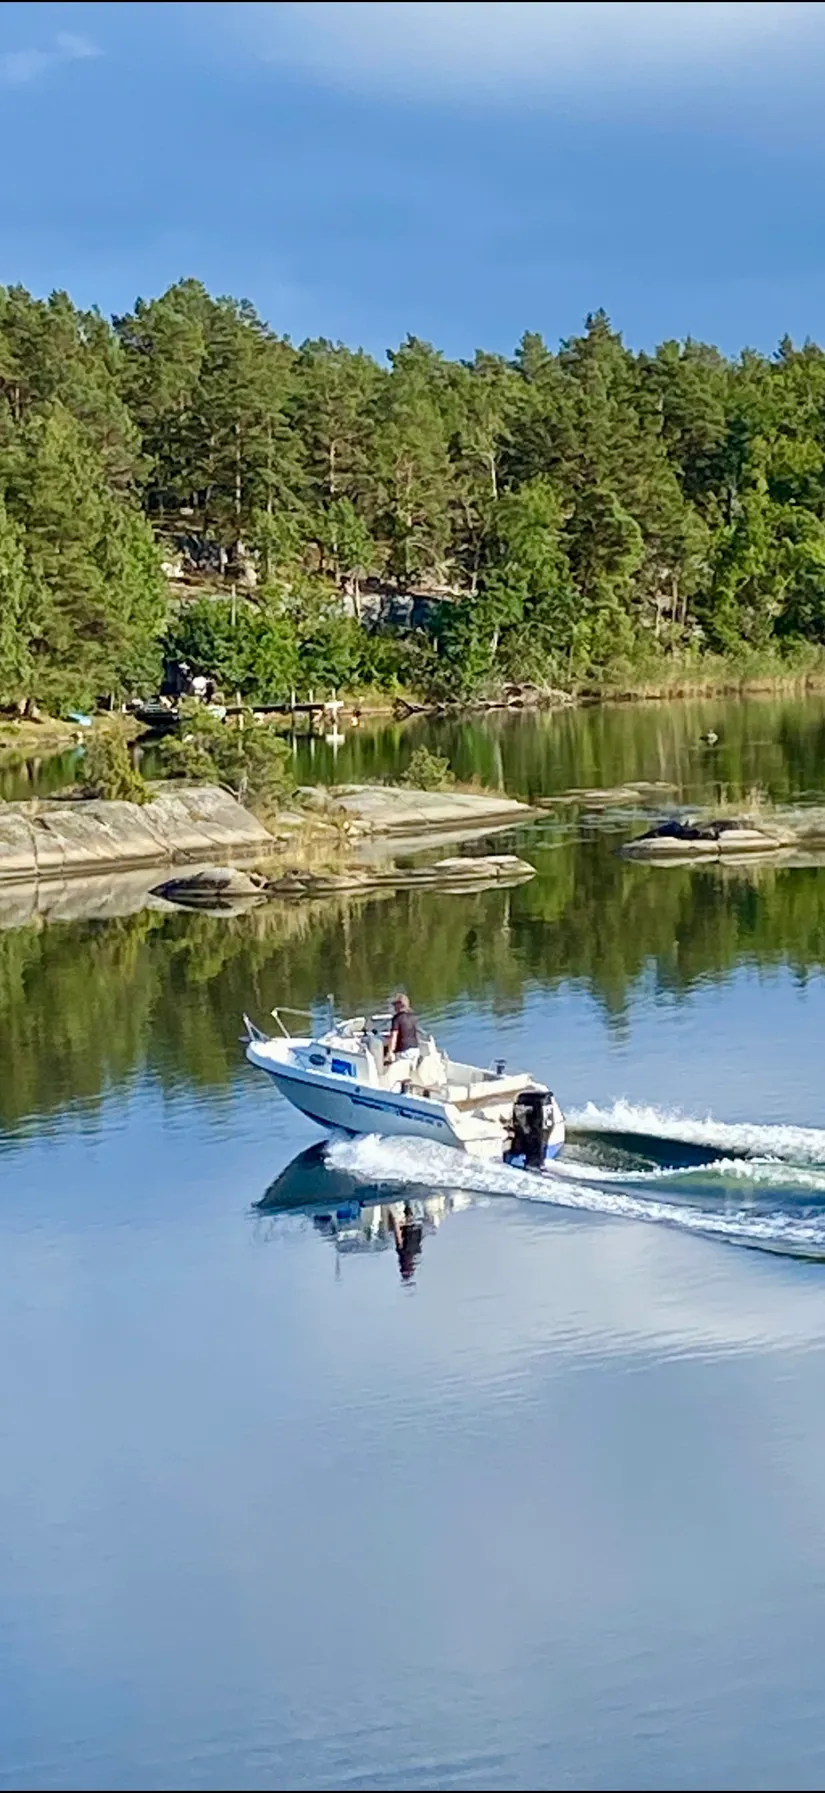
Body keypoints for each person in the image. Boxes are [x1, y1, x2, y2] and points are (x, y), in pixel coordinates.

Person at [385, 992, 421, 1085]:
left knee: (400, 1074)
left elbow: (394, 1037)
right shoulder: (413, 1017)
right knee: (411, 1073)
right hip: (415, 1049)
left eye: (395, 1004)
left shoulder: (397, 1019)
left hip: (403, 1051)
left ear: (400, 1004)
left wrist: (390, 1053)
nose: (394, 1007)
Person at [389, 1202, 424, 1282]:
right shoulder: (403, 1253)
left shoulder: (416, 1252)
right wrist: (396, 1221)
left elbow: (420, 1238)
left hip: (415, 1223)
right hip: (408, 1223)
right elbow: (398, 1234)